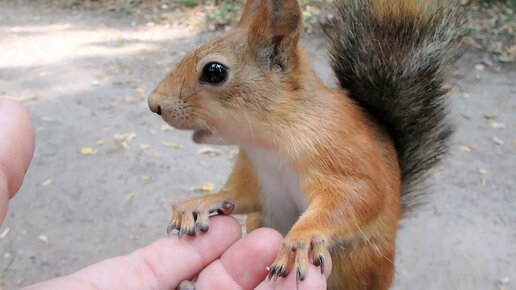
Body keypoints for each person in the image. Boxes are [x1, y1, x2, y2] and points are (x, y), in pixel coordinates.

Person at [0, 98, 331, 290]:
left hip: (342, 246)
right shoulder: (257, 147)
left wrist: (308, 230)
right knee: (261, 241)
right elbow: (248, 194)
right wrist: (216, 200)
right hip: (277, 246)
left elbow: (358, 196)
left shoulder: (320, 135)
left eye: (214, 75)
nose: (158, 101)